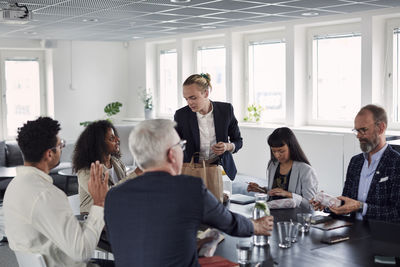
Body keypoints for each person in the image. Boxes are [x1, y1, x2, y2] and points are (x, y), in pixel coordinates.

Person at [104, 119, 274, 267]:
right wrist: (256, 225)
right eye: (181, 145)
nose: (182, 150)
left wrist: (190, 243)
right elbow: (230, 223)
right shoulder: (189, 188)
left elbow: (133, 243)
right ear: (171, 155)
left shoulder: (113, 196)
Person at [3, 117, 112, 267]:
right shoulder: (46, 195)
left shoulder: (15, 186)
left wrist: (87, 223)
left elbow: (54, 224)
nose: (62, 148)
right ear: (49, 154)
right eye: (60, 145)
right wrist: (99, 204)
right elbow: (82, 253)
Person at [312, 104, 400, 222]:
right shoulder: (356, 162)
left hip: (382, 237)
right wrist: (329, 204)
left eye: (363, 130)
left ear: (381, 128)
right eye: (356, 131)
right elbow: (347, 202)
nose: (358, 136)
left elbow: (397, 213)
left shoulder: (396, 163)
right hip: (353, 234)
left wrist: (361, 207)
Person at [174, 73, 242, 180]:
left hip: (219, 168)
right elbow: (175, 145)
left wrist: (226, 146)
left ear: (206, 93)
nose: (189, 103)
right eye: (186, 99)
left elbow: (238, 141)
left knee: (220, 197)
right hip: (191, 169)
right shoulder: (181, 115)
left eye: (193, 98)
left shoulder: (226, 110)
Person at [247, 127, 318, 209]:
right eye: (274, 151)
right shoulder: (273, 165)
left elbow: (310, 204)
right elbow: (275, 192)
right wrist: (261, 189)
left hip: (293, 217)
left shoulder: (306, 171)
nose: (277, 155)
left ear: (291, 147)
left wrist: (289, 194)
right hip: (271, 212)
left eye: (281, 151)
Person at [73, 120, 127, 214]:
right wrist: (136, 175)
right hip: (95, 222)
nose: (117, 140)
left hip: (116, 215)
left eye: (115, 137)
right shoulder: (86, 171)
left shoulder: (118, 163)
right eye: (111, 138)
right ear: (99, 144)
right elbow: (108, 196)